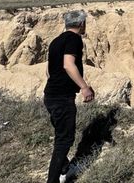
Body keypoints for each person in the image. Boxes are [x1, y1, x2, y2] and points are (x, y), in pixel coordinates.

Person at [44, 10, 95, 183]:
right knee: (64, 141)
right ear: (81, 24)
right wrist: (84, 87)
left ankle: (65, 168)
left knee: (61, 134)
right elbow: (68, 64)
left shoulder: (56, 41)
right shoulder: (74, 39)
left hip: (50, 96)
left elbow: (48, 71)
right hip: (62, 98)